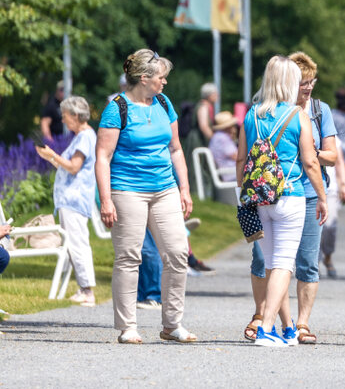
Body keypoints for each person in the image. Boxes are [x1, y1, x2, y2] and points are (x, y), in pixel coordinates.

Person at [95, 49, 195, 344]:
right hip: (127, 190)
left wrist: (184, 189)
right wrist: (106, 199)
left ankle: (172, 324)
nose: (165, 83)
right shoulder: (118, 108)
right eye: (161, 78)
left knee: (178, 253)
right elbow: (103, 156)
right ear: (144, 78)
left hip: (164, 188)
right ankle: (128, 327)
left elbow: (176, 149)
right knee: (129, 257)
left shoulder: (164, 103)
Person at [239, 55, 329, 347]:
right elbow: (311, 162)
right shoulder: (297, 116)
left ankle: (288, 328)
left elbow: (241, 160)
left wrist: (246, 192)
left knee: (272, 263)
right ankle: (266, 327)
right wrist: (323, 197)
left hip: (259, 198)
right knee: (284, 265)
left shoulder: (251, 115)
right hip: (290, 195)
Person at [36, 96, 98, 307]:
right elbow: (67, 167)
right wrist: (50, 158)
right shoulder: (82, 137)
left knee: (77, 244)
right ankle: (83, 288)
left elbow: (73, 167)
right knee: (73, 244)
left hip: (74, 199)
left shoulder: (84, 137)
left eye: (64, 116)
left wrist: (53, 154)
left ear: (75, 116)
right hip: (69, 199)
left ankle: (87, 291)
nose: (62, 121)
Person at [208, 111, 240, 178]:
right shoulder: (223, 138)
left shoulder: (217, 136)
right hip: (231, 175)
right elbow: (238, 157)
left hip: (228, 173)